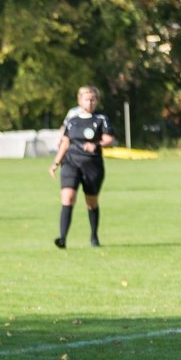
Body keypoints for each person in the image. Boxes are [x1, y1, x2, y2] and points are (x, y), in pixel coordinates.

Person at [49, 86, 115, 248]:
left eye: (93, 99)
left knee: (91, 202)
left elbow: (108, 139)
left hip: (92, 165)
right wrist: (55, 163)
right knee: (68, 199)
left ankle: (94, 236)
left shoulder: (101, 119)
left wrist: (96, 145)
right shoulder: (72, 121)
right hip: (71, 163)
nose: (90, 102)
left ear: (97, 101)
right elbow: (65, 143)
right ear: (79, 101)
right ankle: (62, 238)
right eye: (87, 99)